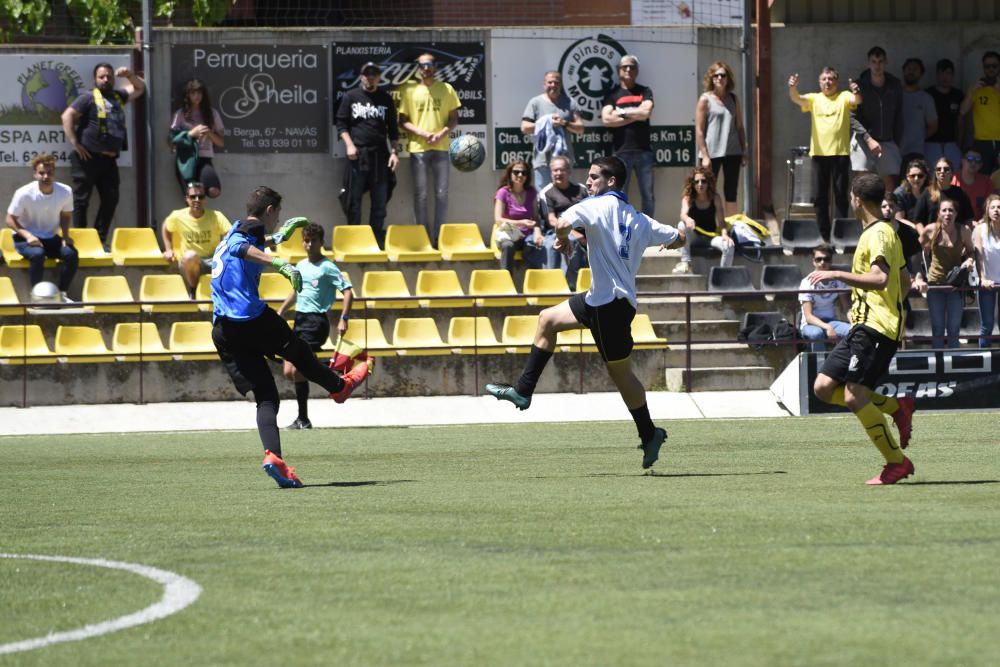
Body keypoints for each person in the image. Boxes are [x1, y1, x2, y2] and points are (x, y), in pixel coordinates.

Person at [485, 155, 685, 470]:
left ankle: (650, 434)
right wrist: (670, 244)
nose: (588, 182)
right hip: (603, 301)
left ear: (611, 182)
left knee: (622, 376)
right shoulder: (641, 220)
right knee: (547, 319)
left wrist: (562, 241)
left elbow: (562, 224)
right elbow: (679, 237)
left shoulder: (594, 206)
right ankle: (523, 391)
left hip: (608, 307)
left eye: (594, 177)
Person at [210, 186, 370, 488]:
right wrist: (279, 263)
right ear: (270, 211)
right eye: (278, 215)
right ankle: (339, 387)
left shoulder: (235, 230)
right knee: (299, 352)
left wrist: (278, 238)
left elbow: (242, 243)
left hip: (223, 329)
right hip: (249, 318)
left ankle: (275, 459)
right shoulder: (246, 231)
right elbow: (239, 247)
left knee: (266, 397)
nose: (277, 221)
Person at [810, 172, 915, 485]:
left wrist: (837, 274)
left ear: (856, 199)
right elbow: (905, 281)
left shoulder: (879, 233)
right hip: (864, 325)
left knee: (854, 396)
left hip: (876, 328)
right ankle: (897, 407)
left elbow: (880, 279)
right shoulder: (879, 232)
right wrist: (891, 304)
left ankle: (896, 462)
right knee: (823, 388)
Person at [277, 223, 360, 430]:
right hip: (300, 320)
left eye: (314, 240)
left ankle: (303, 419)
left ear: (321, 242)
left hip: (316, 322)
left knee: (299, 368)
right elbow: (295, 292)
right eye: (306, 240)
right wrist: (281, 311)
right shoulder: (301, 265)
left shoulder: (327, 267)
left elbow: (347, 291)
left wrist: (344, 317)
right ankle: (337, 369)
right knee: (289, 371)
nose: (310, 244)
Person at [61, 63, 145, 245]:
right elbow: (67, 116)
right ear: (95, 79)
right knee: (81, 201)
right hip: (87, 158)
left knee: (111, 199)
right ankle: (81, 243)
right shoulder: (87, 97)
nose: (106, 79)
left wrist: (129, 75)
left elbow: (140, 88)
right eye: (102, 77)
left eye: (109, 76)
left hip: (109, 160)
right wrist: (75, 143)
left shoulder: (118, 96)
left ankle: (98, 241)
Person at [788, 67, 862, 240]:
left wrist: (856, 91)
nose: (827, 82)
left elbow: (857, 100)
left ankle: (841, 234)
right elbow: (797, 98)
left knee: (841, 195)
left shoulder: (844, 96)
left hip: (840, 154)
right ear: (819, 82)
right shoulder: (814, 98)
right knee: (820, 196)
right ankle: (823, 235)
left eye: (831, 79)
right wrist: (792, 87)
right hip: (819, 154)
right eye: (824, 79)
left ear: (836, 82)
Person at [398, 53, 461, 247]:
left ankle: (439, 238)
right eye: (422, 65)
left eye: (429, 64)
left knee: (442, 194)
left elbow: (454, 119)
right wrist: (423, 133)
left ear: (436, 67)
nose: (426, 68)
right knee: (421, 195)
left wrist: (441, 133)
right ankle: (424, 238)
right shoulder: (409, 90)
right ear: (417, 68)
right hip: (418, 149)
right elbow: (402, 121)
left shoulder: (447, 89)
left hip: (441, 148)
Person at [335, 61, 399, 246]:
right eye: (367, 74)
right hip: (358, 156)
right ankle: (355, 240)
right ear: (361, 77)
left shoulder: (386, 98)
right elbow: (341, 124)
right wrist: (349, 145)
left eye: (374, 74)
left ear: (379, 77)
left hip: (381, 156)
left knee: (380, 203)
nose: (370, 77)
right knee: (353, 202)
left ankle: (375, 241)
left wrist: (394, 153)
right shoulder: (350, 97)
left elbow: (393, 130)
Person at [5, 153, 78, 300]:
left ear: (54, 173)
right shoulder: (24, 193)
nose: (46, 176)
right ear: (35, 174)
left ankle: (62, 294)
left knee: (71, 254)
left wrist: (65, 236)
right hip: (24, 239)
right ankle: (36, 296)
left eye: (49, 173)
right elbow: (10, 219)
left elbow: (66, 215)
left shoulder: (65, 191)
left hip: (50, 237)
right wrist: (28, 236)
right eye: (41, 173)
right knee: (38, 254)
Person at [911, 198, 976, 349]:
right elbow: (914, 252)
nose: (948, 214)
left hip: (955, 285)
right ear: (939, 213)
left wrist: (969, 260)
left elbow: (972, 251)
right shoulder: (931, 230)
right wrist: (918, 276)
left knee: (954, 329)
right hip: (935, 285)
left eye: (951, 210)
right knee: (938, 329)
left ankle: (954, 360)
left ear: (956, 213)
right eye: (944, 210)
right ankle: (938, 360)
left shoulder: (964, 230)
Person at [601, 55, 655, 216]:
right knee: (619, 195)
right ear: (619, 70)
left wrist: (622, 113)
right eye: (625, 66)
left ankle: (648, 227)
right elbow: (606, 120)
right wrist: (636, 115)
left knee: (648, 195)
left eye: (632, 66)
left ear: (637, 70)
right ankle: (622, 226)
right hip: (621, 152)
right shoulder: (612, 94)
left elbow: (646, 113)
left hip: (644, 151)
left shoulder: (645, 91)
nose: (628, 69)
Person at [696, 61, 748, 217]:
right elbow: (699, 130)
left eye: (723, 75)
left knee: (731, 192)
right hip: (711, 154)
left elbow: (740, 126)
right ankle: (708, 226)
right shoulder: (705, 99)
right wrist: (705, 156)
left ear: (728, 78)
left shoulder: (733, 99)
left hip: (733, 151)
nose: (719, 78)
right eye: (716, 75)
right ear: (711, 78)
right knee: (707, 191)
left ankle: (731, 226)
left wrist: (744, 150)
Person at [161, 181, 232, 296]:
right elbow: (166, 227)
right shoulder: (177, 216)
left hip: (213, 261)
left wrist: (225, 248)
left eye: (201, 196)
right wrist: (169, 249)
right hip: (189, 263)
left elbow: (230, 233)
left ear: (205, 199)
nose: (197, 200)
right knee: (190, 256)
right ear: (187, 199)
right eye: (193, 196)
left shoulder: (216, 216)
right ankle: (193, 291)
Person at [851, 47, 904, 192]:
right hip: (863, 140)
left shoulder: (895, 85)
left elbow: (899, 114)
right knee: (862, 182)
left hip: (887, 140)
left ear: (886, 62)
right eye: (874, 62)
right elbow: (852, 117)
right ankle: (859, 208)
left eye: (880, 61)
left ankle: (887, 208)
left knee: (889, 182)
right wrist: (868, 138)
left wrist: (897, 141)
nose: (877, 66)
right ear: (868, 63)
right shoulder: (858, 86)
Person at [520, 71, 584, 190]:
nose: (553, 85)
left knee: (567, 197)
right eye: (550, 82)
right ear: (544, 84)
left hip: (564, 163)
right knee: (543, 197)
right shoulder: (535, 103)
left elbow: (580, 128)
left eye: (556, 82)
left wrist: (564, 123)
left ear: (560, 85)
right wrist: (547, 123)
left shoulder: (570, 103)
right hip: (542, 162)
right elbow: (524, 127)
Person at [538, 155, 589, 289]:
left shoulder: (582, 190)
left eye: (562, 170)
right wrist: (572, 232)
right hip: (558, 232)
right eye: (555, 170)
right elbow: (551, 220)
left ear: (569, 171)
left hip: (585, 233)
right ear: (551, 173)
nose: (558, 173)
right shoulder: (546, 193)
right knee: (570, 241)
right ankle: (569, 286)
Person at [169, 78, 224, 198]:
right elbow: (172, 141)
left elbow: (221, 143)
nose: (196, 96)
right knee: (192, 197)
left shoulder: (212, 113)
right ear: (187, 95)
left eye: (199, 93)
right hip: (186, 159)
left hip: (205, 158)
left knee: (214, 191)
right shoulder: (180, 114)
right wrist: (191, 133)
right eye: (193, 93)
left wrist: (209, 133)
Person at [672, 167, 733, 274]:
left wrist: (725, 234)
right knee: (681, 225)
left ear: (708, 183)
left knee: (729, 246)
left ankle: (722, 276)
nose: (700, 184)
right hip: (694, 238)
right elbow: (683, 214)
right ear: (693, 184)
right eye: (697, 182)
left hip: (711, 237)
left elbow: (722, 223)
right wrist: (688, 219)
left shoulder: (715, 198)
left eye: (703, 181)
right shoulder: (688, 198)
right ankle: (685, 263)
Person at [798, 244, 851, 352]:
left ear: (831, 261)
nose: (822, 262)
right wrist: (827, 327)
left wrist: (854, 323)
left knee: (852, 331)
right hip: (810, 324)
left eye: (826, 259)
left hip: (831, 321)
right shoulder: (806, 282)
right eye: (819, 259)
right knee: (817, 334)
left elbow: (846, 307)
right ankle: (820, 362)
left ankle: (846, 361)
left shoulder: (838, 280)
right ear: (813, 261)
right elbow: (808, 317)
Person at [493, 159, 543, 272]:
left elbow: (536, 217)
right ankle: (506, 279)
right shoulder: (503, 192)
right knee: (508, 246)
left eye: (523, 173)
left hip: (527, 236)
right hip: (509, 235)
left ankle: (536, 279)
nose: (520, 175)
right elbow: (498, 220)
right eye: (516, 172)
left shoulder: (531, 192)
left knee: (539, 245)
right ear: (510, 173)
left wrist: (537, 232)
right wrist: (521, 222)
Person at [959, 51, 1000, 176]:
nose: (991, 69)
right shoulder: (976, 88)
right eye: (987, 66)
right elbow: (962, 111)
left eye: (994, 66)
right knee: (982, 177)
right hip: (982, 142)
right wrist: (972, 92)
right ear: (983, 68)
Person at [924, 59, 964, 169]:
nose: (945, 77)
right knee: (931, 174)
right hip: (930, 144)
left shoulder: (958, 95)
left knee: (954, 174)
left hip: (951, 143)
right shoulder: (927, 94)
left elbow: (960, 122)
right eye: (941, 73)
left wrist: (959, 144)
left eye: (948, 73)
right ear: (937, 75)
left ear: (953, 75)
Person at [898, 58, 937, 165]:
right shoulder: (894, 95)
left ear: (921, 74)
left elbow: (933, 126)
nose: (911, 72)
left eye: (915, 69)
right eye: (909, 69)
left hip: (916, 152)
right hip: (894, 151)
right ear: (903, 71)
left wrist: (918, 138)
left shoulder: (926, 99)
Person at [974, 194, 1000, 347]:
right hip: (987, 283)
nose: (996, 210)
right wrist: (982, 278)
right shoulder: (980, 230)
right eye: (993, 207)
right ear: (987, 210)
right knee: (987, 325)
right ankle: (984, 357)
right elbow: (978, 256)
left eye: (999, 207)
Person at [890, 158, 929, 263]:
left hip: (926, 229)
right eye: (912, 176)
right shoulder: (900, 193)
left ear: (925, 177)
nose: (916, 179)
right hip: (908, 230)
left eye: (920, 176)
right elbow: (899, 218)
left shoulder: (930, 191)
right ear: (907, 176)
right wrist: (917, 228)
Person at [952, 149, 994, 220]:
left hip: (979, 223)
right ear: (962, 161)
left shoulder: (986, 182)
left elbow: (990, 206)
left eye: (977, 160)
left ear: (981, 165)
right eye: (970, 159)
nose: (973, 163)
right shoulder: (952, 179)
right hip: (955, 222)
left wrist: (983, 221)